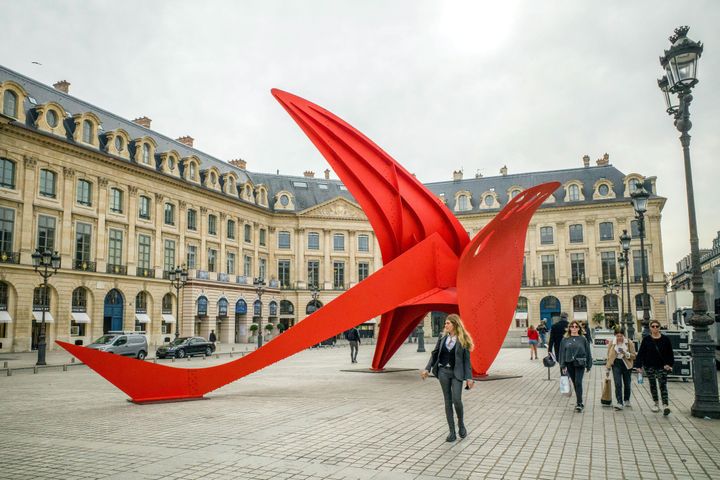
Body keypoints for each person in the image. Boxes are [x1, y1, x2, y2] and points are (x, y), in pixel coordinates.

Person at [421, 314, 475, 442]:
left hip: (457, 374)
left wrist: (469, 378)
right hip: (443, 372)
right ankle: (452, 431)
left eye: (448, 323)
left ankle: (461, 424)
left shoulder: (463, 339)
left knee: (457, 399)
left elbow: (467, 361)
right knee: (447, 401)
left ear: (455, 324)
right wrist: (427, 369)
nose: (445, 325)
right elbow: (434, 354)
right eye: (445, 323)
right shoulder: (442, 337)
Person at [636, 320, 674, 415]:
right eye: (653, 326)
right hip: (649, 366)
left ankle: (665, 405)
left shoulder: (665, 339)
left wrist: (669, 364)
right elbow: (641, 353)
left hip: (662, 366)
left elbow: (670, 353)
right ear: (650, 328)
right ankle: (656, 403)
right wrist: (638, 366)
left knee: (663, 385)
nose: (655, 328)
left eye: (657, 326)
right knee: (652, 384)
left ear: (659, 327)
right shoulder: (646, 340)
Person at [559, 320, 592, 412]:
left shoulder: (583, 339)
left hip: (580, 363)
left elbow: (588, 352)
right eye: (572, 326)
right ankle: (579, 400)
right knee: (574, 383)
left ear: (579, 328)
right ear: (569, 328)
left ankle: (579, 403)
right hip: (569, 363)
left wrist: (589, 365)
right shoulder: (565, 339)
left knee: (578, 382)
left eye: (576, 327)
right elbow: (562, 353)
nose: (574, 328)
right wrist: (562, 365)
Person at [605, 328, 636, 410]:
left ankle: (626, 399)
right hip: (616, 364)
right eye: (617, 336)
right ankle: (619, 402)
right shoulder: (612, 343)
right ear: (615, 335)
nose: (619, 338)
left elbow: (634, 356)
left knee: (627, 384)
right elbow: (609, 356)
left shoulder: (629, 342)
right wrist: (607, 368)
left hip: (626, 364)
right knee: (618, 383)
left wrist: (625, 353)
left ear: (623, 335)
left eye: (621, 336)